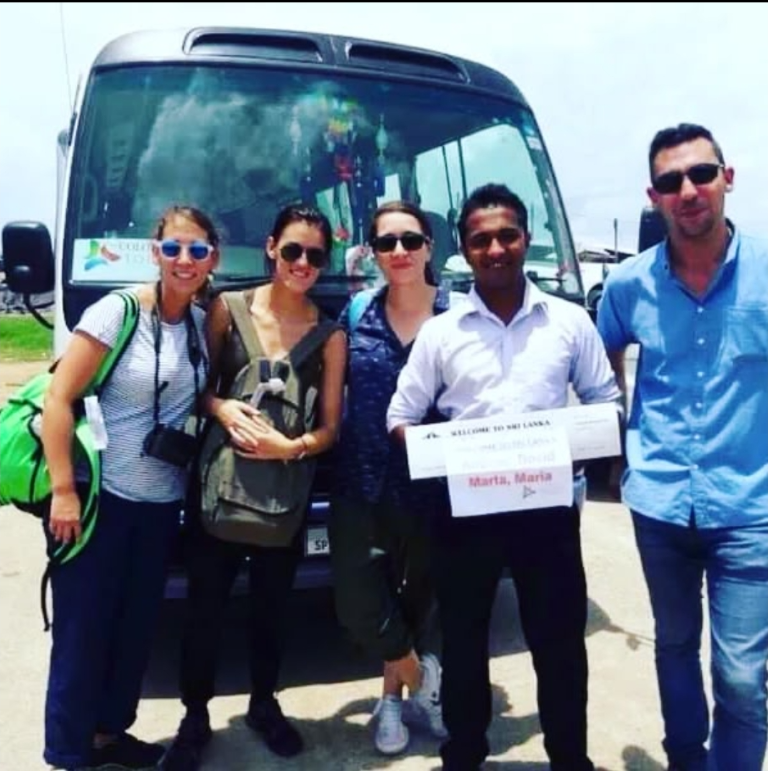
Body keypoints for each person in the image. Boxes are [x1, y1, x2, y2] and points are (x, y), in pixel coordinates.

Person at [387, 183, 621, 771]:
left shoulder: (569, 322)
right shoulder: (441, 332)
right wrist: (439, 453)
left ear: (526, 238)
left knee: (560, 645)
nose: (495, 249)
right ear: (464, 249)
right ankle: (464, 755)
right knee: (465, 644)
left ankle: (570, 759)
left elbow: (606, 402)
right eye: (481, 239)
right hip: (466, 513)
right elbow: (401, 417)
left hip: (547, 509)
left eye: (507, 235)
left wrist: (577, 446)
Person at [597, 123, 768, 771]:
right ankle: (685, 760)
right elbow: (601, 358)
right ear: (654, 196)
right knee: (673, 646)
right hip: (659, 501)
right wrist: (618, 442)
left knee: (742, 675)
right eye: (671, 181)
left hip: (750, 507)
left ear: (728, 178)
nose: (688, 190)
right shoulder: (628, 285)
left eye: (701, 174)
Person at [163, 204, 347, 770]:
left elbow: (330, 429)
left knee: (272, 609)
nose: (302, 263)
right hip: (217, 492)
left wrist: (287, 449)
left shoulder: (329, 336)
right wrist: (222, 408)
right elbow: (196, 389)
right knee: (205, 608)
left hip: (283, 499)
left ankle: (264, 704)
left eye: (315, 255)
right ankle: (195, 716)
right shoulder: (228, 309)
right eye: (292, 250)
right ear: (271, 248)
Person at [41, 205, 218, 771]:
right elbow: (58, 397)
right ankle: (68, 753)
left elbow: (194, 396)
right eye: (173, 248)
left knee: (134, 630)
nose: (185, 260)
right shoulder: (117, 312)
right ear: (155, 252)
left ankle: (108, 734)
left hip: (160, 506)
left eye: (197, 250)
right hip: (100, 501)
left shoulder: (199, 325)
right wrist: (64, 491)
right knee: (83, 633)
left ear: (212, 258)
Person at [329, 201, 457, 755]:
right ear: (373, 254)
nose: (399, 251)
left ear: (430, 246)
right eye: (386, 243)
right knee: (358, 598)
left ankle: (393, 701)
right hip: (363, 477)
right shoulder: (357, 314)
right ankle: (421, 678)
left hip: (437, 483)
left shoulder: (460, 316)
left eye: (410, 240)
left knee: (420, 598)